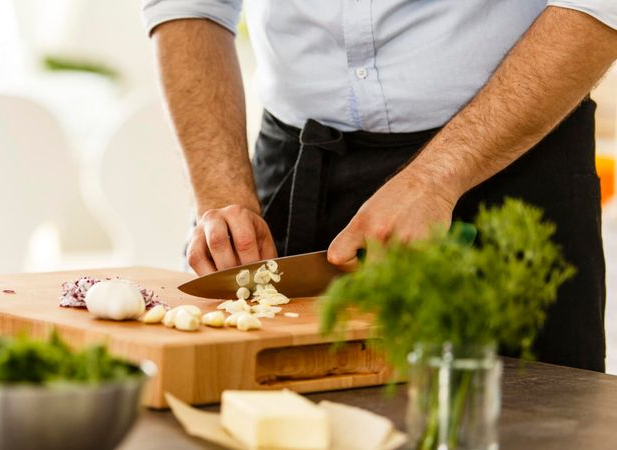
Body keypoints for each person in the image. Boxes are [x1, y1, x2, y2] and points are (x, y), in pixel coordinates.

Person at [142, 1, 617, 372]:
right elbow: (189, 6)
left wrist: (435, 179)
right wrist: (222, 193)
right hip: (297, 177)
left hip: (512, 165)